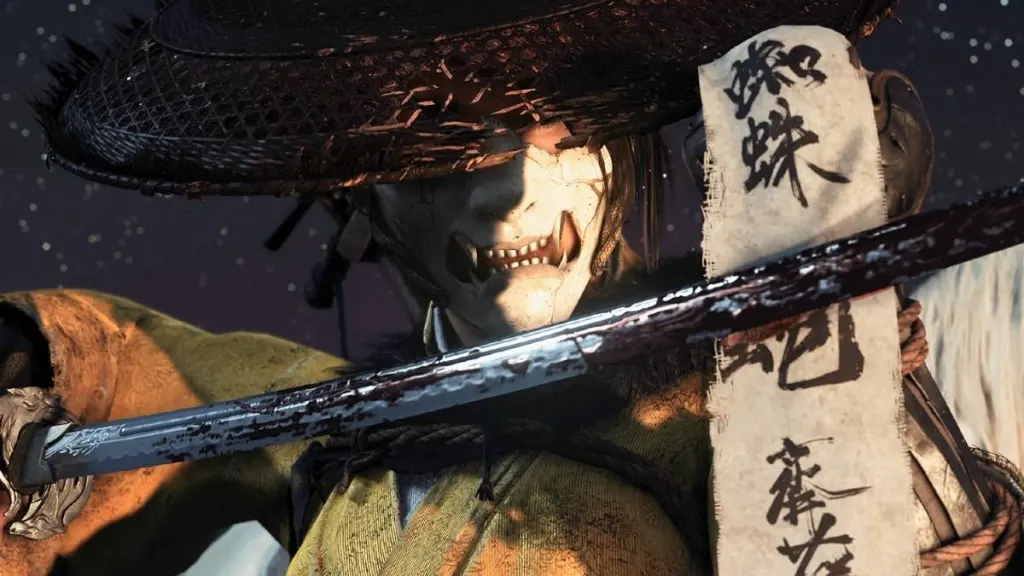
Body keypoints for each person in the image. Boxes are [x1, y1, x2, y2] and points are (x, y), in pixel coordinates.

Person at [0, 1, 1019, 575]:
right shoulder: (333, 439)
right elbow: (151, 370)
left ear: (616, 159)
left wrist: (835, 341)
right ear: (364, 203)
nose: (514, 191)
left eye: (562, 136)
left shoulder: (718, 420)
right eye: (443, 159)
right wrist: (34, 360)